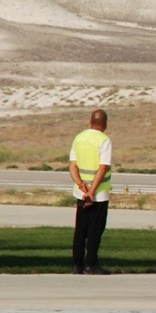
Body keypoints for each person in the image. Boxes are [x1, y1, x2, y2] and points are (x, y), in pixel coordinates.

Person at [68, 109, 112, 274]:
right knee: (95, 230)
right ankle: (91, 263)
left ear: (90, 121)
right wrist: (92, 190)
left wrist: (81, 184)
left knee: (81, 229)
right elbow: (103, 167)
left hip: (81, 192)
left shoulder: (79, 138)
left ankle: (77, 264)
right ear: (105, 124)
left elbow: (72, 165)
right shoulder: (104, 140)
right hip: (98, 194)